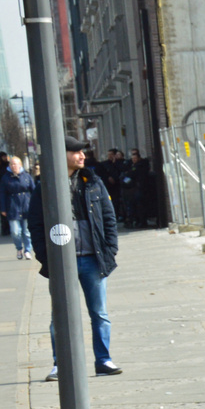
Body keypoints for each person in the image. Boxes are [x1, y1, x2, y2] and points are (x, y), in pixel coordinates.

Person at [29, 139, 122, 380]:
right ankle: (61, 364)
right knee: (59, 315)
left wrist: (110, 249)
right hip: (62, 262)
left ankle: (103, 361)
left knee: (99, 313)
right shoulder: (46, 186)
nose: (82, 156)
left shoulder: (93, 181)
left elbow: (109, 218)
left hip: (93, 259)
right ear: (63, 155)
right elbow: (36, 224)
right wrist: (45, 257)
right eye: (76, 152)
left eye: (83, 152)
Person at [0, 155, 37, 259]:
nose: (13, 166)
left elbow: (34, 191)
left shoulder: (26, 176)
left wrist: (35, 205)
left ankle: (28, 250)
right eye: (11, 164)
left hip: (26, 206)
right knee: (15, 232)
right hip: (12, 207)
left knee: (27, 231)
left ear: (20, 165)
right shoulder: (6, 177)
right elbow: (2, 193)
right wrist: (3, 208)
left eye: (15, 164)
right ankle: (19, 248)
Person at [123, 150, 151, 228]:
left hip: (139, 188)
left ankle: (141, 221)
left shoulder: (139, 166)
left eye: (135, 158)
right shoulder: (133, 166)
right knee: (136, 205)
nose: (134, 160)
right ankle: (138, 220)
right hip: (135, 188)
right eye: (132, 159)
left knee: (139, 205)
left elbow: (132, 174)